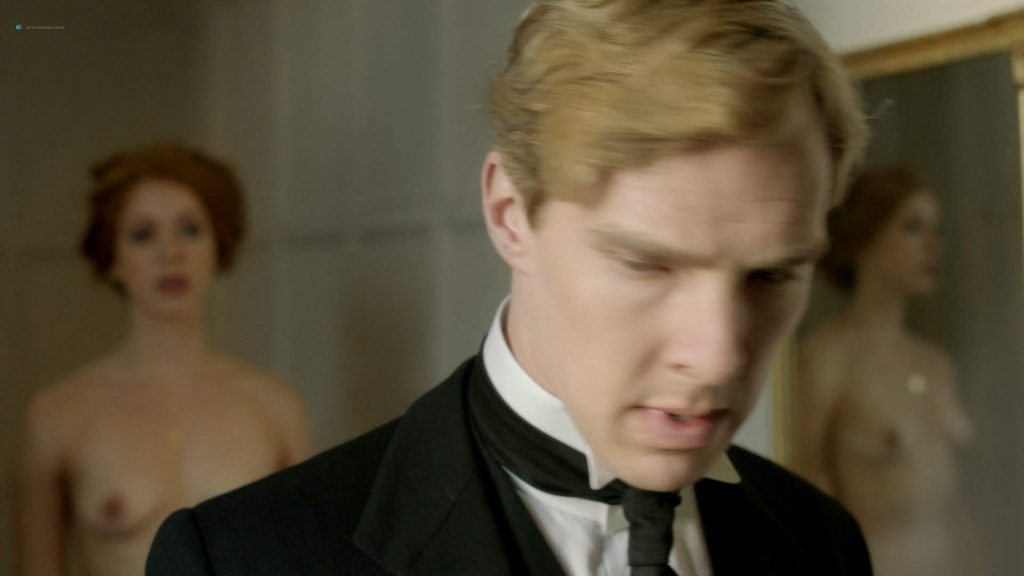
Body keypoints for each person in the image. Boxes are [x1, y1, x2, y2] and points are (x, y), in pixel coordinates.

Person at [147, 1, 871, 574]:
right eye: (647, 264)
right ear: (509, 214)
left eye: (773, 275)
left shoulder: (823, 543)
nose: (718, 357)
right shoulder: (241, 559)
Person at [14, 143, 313, 576]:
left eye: (190, 229)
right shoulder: (55, 418)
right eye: (143, 234)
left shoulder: (275, 408)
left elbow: (306, 562)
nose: (170, 253)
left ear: (219, 248)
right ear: (112, 259)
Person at [795, 165, 976, 575]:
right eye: (913, 227)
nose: (934, 244)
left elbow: (957, 507)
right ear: (865, 237)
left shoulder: (937, 365)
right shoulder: (826, 359)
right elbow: (808, 496)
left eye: (937, 229)